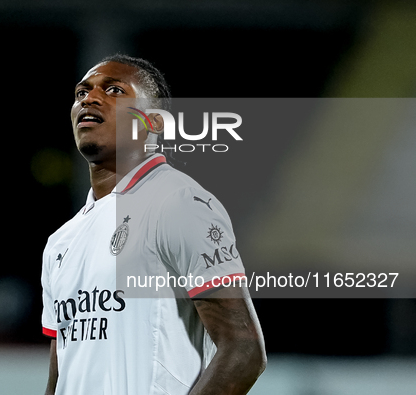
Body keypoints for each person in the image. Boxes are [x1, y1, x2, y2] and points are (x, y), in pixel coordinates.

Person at [41, 54, 266, 395]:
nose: (89, 98)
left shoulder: (178, 202)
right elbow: (62, 372)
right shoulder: (61, 241)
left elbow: (244, 350)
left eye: (114, 90)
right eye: (81, 93)